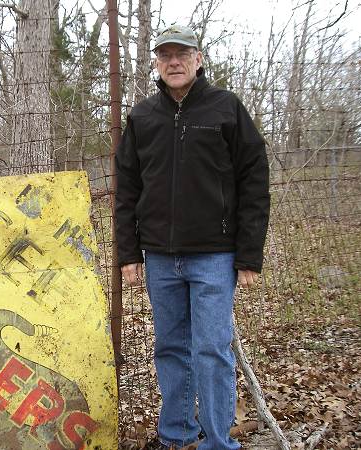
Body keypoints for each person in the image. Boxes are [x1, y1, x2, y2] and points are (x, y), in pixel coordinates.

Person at [115, 24, 270, 450]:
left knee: (212, 350)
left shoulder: (226, 108)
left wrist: (249, 255)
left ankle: (219, 442)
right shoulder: (143, 117)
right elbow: (127, 188)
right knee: (170, 348)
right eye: (165, 56)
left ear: (198, 59)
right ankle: (178, 436)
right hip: (160, 258)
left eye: (182, 54)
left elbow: (254, 180)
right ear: (156, 64)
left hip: (214, 256)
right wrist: (129, 252)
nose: (174, 62)